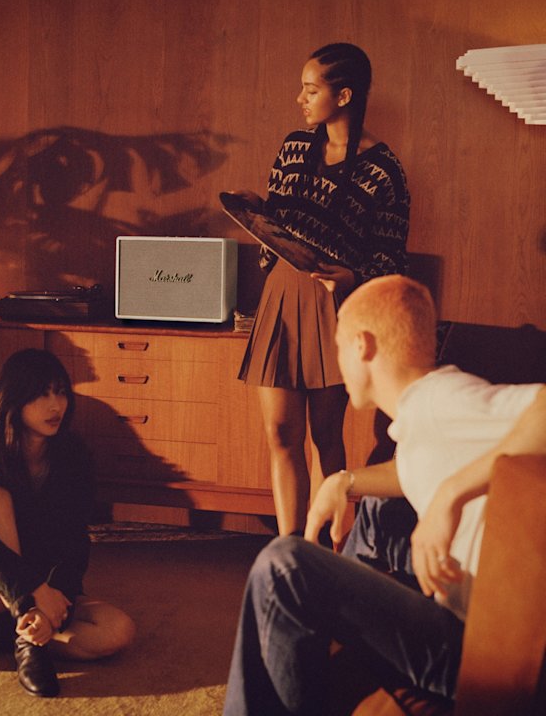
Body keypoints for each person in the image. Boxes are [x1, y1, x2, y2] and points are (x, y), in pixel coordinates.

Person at [223, 275, 546, 715]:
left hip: (472, 652)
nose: (337, 363)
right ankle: (319, 652)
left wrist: (452, 495)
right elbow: (418, 465)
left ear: (362, 346)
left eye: (337, 346)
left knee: (284, 565)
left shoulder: (442, 401)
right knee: (376, 511)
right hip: (457, 625)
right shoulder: (426, 417)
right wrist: (345, 481)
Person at [235, 42, 410, 535]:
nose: (301, 98)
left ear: (345, 94)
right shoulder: (294, 146)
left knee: (326, 436)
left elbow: (392, 256)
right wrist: (256, 210)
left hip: (337, 308)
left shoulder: (384, 171)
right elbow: (279, 224)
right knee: (279, 433)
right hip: (282, 298)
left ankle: (325, 549)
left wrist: (354, 278)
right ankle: (290, 545)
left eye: (312, 89)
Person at [0, 348, 135, 698]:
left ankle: (2, 634)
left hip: (41, 578)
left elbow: (75, 540)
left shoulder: (73, 455)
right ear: (14, 399)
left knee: (119, 631)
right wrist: (33, 597)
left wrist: (51, 602)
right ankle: (31, 645)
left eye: (60, 392)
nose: (55, 405)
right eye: (41, 394)